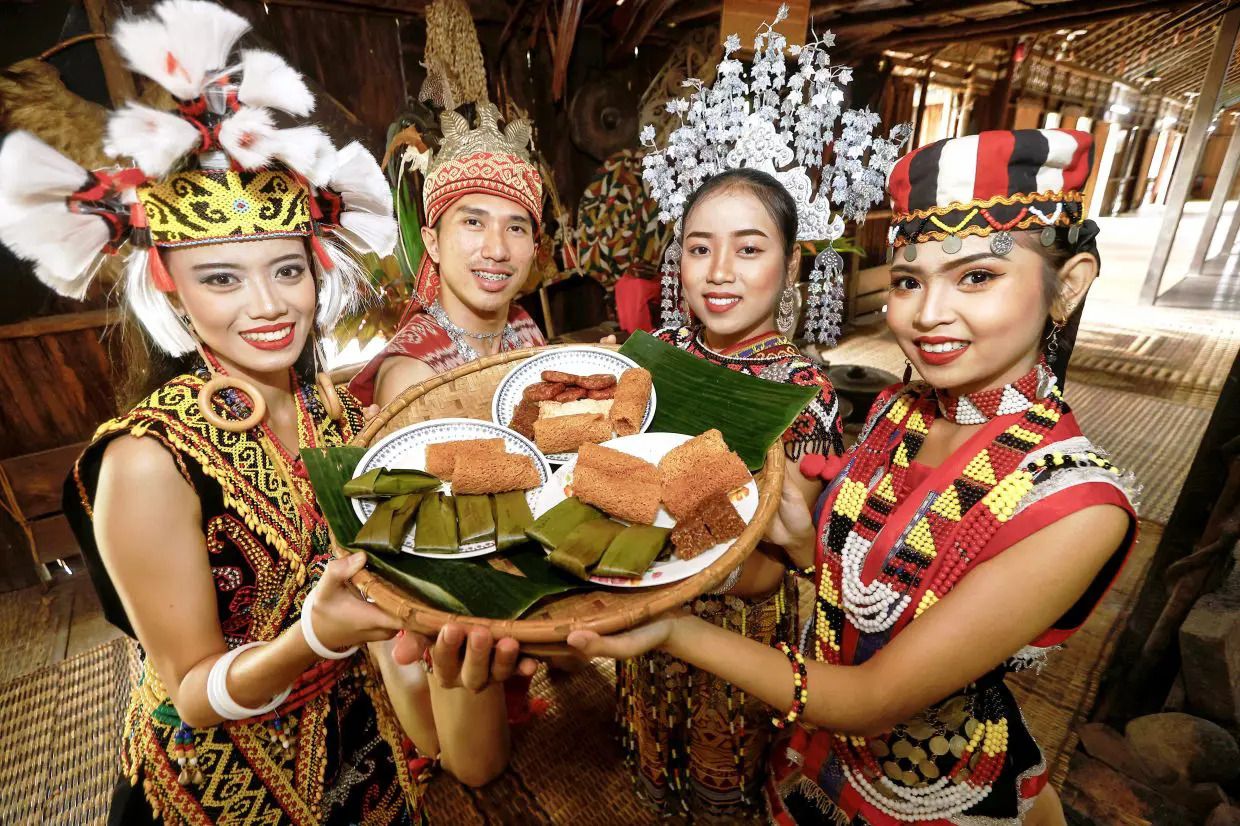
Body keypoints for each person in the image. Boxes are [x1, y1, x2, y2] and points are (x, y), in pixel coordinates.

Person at [0, 4, 520, 822]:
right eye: (222, 279)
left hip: (363, 742)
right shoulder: (146, 462)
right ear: (171, 287)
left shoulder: (329, 411)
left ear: (317, 269)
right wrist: (314, 637)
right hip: (220, 787)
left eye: (286, 270)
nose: (269, 305)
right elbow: (191, 692)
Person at [568, 128, 1137, 826]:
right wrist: (801, 542)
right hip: (804, 753)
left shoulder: (1075, 505)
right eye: (908, 281)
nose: (928, 313)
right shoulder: (901, 411)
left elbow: (871, 697)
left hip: (927, 790)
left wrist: (668, 628)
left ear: (1067, 285)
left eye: (977, 276)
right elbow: (865, 586)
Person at [603, 15, 909, 817]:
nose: (719, 272)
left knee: (723, 773)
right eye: (699, 247)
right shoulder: (657, 354)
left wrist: (663, 548)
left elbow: (775, 565)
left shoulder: (800, 389)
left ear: (791, 262)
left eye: (748, 249)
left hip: (734, 624)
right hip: (640, 595)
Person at [348, 104, 546, 408]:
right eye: (473, 222)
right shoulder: (413, 379)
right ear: (433, 243)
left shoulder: (522, 328)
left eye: (516, 228)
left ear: (534, 248)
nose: (497, 250)